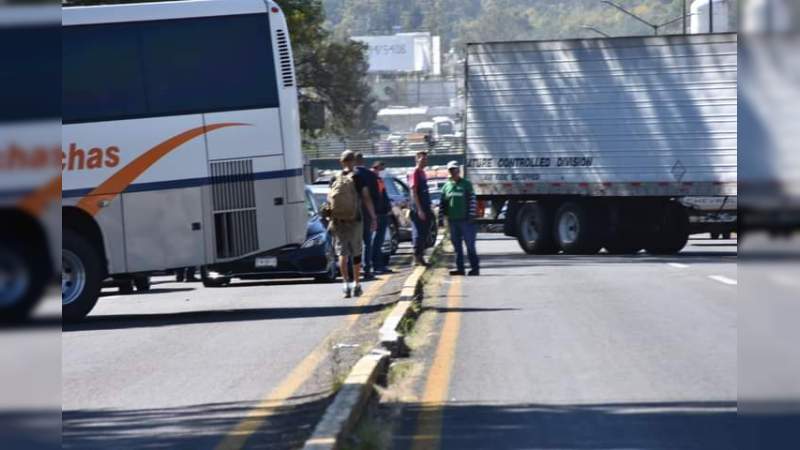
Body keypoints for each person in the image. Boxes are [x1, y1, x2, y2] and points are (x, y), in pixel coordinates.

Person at [326, 150, 377, 298]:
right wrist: (373, 217)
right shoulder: (358, 177)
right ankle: (356, 283)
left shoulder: (334, 178)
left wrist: (330, 218)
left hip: (338, 220)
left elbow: (330, 200)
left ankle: (345, 284)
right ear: (354, 162)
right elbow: (366, 198)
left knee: (342, 253)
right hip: (355, 219)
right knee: (356, 252)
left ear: (341, 162)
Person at [439, 160, 480, 276]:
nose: (454, 172)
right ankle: (460, 269)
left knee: (470, 246)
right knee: (457, 247)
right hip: (453, 221)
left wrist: (472, 215)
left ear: (459, 170)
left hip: (466, 220)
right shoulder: (446, 186)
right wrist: (440, 218)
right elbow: (442, 203)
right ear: (449, 171)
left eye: (455, 169)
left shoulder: (466, 184)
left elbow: (472, 200)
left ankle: (475, 268)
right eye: (451, 170)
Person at [354, 152, 381, 280]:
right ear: (363, 161)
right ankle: (367, 269)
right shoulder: (371, 175)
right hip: (367, 212)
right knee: (367, 242)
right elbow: (376, 196)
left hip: (351, 213)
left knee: (353, 243)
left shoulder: (348, 175)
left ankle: (352, 270)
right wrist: (374, 214)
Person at [410, 150, 433, 266]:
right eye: (422, 159)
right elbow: (414, 192)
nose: (425, 161)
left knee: (425, 232)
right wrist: (419, 209)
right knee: (418, 233)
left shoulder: (423, 173)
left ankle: (421, 256)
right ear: (417, 159)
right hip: (418, 208)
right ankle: (416, 258)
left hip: (426, 206)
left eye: (426, 159)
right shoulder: (414, 172)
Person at [371, 161, 394, 274]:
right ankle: (377, 265)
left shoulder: (379, 180)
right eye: (382, 168)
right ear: (377, 168)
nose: (383, 171)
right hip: (378, 214)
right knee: (377, 242)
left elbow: (383, 196)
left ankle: (378, 265)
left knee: (378, 241)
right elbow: (378, 198)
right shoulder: (374, 180)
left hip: (381, 213)